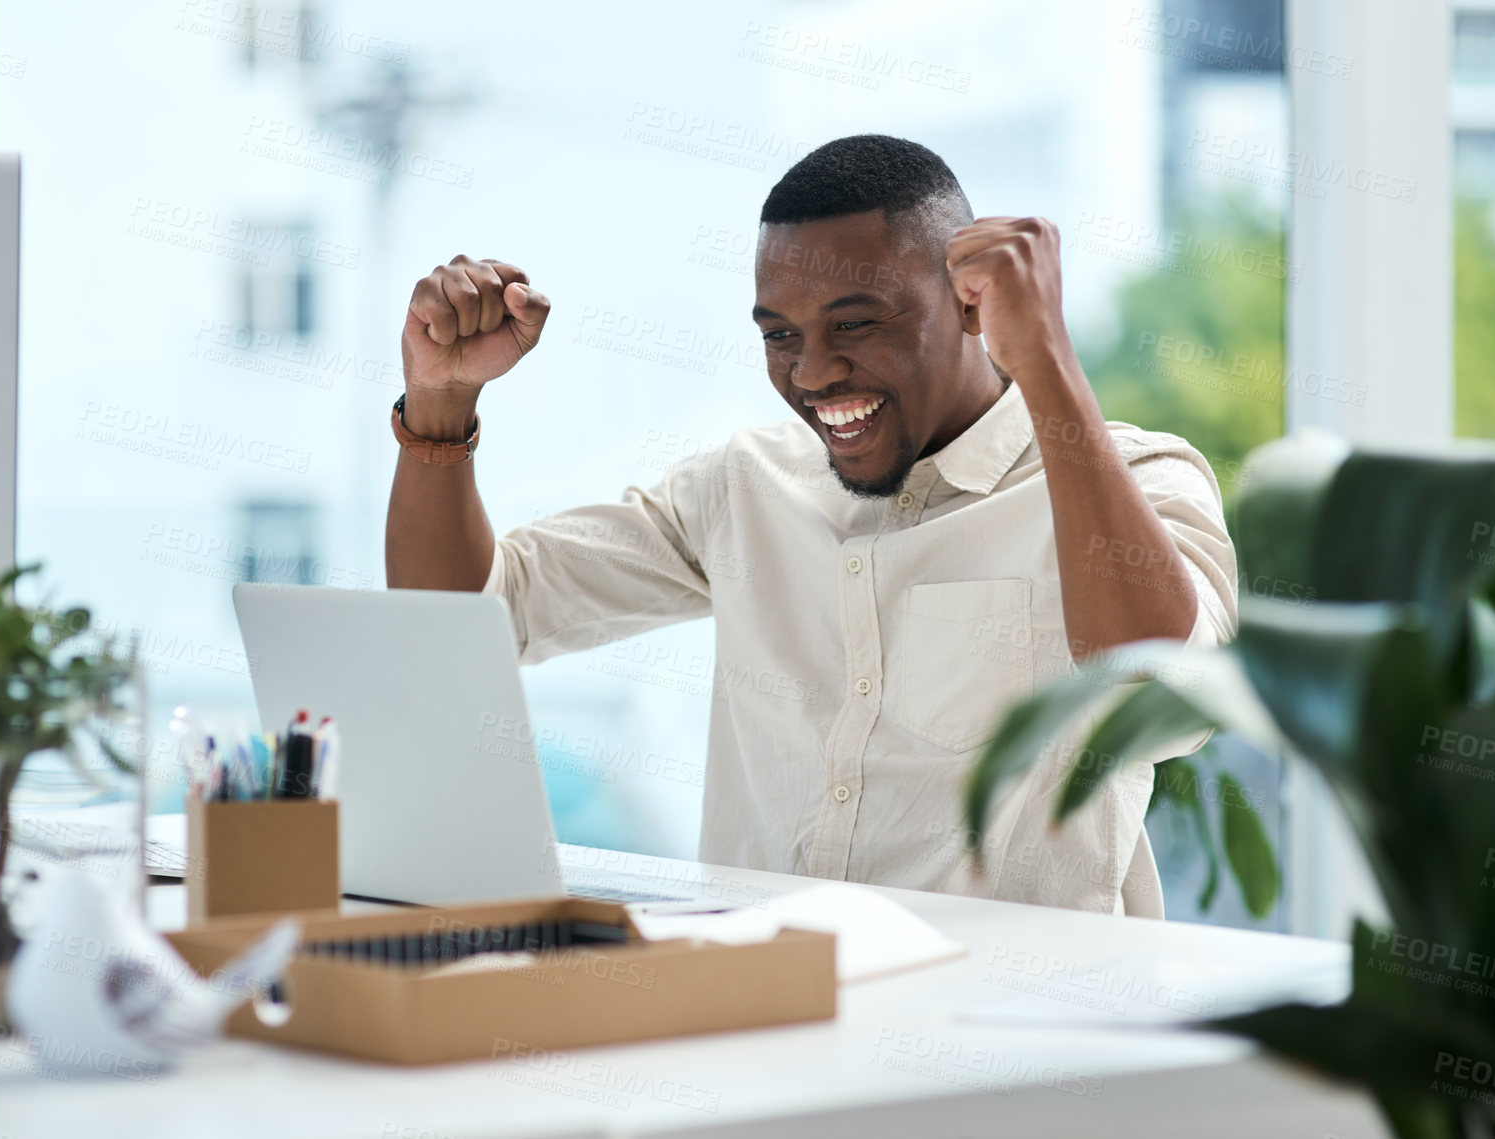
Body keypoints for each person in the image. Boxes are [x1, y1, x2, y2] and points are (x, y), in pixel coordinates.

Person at [384, 134, 1237, 914]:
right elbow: (466, 616)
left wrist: (1044, 357)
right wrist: (440, 400)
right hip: (764, 1018)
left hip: (1005, 1041)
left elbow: (1166, 693)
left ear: (972, 307)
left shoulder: (1131, 480)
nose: (815, 371)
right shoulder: (742, 486)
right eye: (780, 334)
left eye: (856, 324)